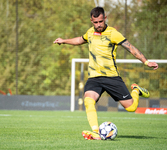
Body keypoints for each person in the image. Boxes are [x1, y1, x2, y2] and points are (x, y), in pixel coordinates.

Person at [54, 6, 158, 140]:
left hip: (111, 77)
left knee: (131, 107)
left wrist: (146, 61)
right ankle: (96, 132)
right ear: (91, 21)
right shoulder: (90, 32)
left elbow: (131, 48)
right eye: (95, 22)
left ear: (105, 18)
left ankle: (136, 90)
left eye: (100, 22)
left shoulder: (113, 33)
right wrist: (64, 41)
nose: (98, 25)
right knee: (88, 101)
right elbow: (80, 40)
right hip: (94, 77)